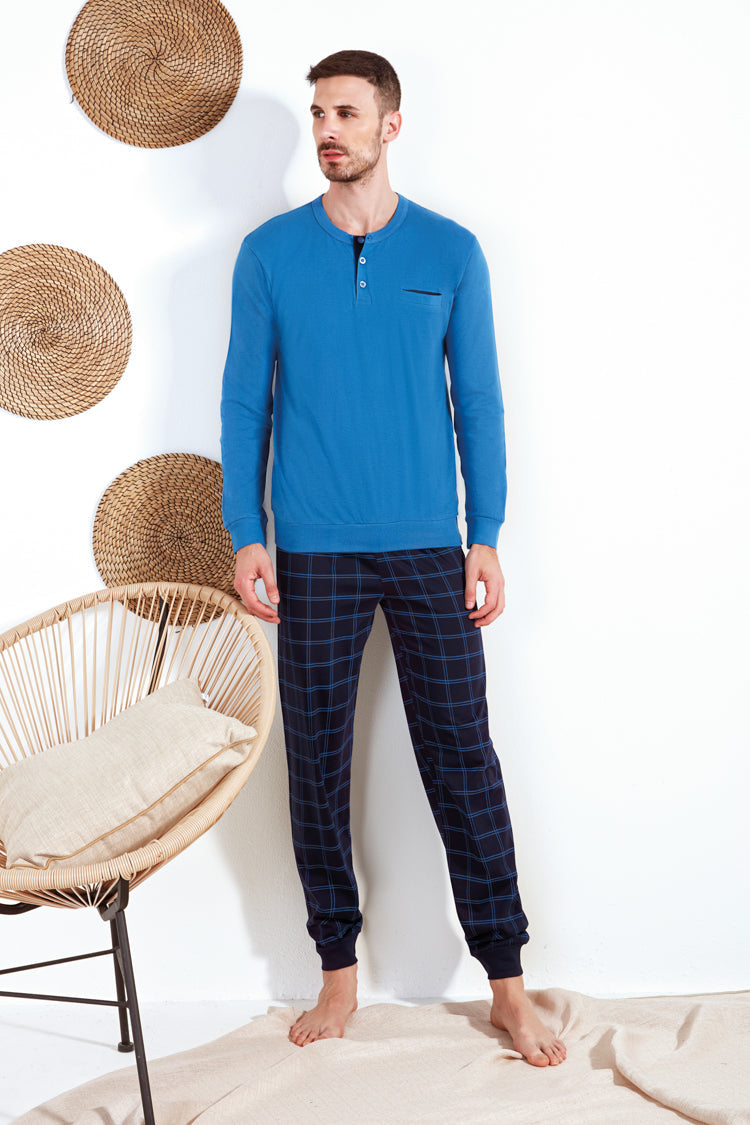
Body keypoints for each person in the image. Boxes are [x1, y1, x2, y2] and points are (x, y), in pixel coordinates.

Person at [220, 49, 566, 1067]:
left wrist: (486, 534)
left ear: (390, 125)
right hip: (313, 548)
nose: (328, 129)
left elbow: (480, 403)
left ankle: (507, 984)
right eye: (318, 113)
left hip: (428, 548)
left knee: (463, 758)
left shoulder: (451, 251)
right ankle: (338, 974)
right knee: (315, 762)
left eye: (346, 112)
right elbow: (244, 404)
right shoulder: (269, 254)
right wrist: (247, 531)